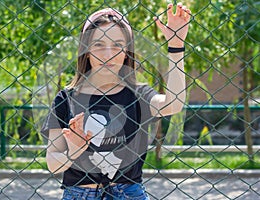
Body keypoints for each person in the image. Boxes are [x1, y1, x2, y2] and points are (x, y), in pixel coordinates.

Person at [42, 2, 191, 199]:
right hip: (79, 194)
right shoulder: (67, 98)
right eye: (98, 45)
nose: (108, 54)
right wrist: (74, 151)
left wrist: (176, 46)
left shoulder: (139, 95)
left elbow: (174, 104)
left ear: (127, 50)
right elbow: (53, 163)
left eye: (118, 45)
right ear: (85, 49)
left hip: (129, 193)